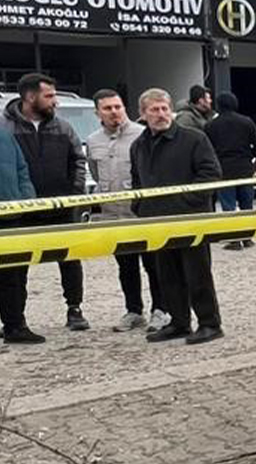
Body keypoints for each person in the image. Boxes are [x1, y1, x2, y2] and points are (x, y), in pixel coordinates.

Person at [130, 88, 225, 345]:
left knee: (198, 274)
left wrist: (186, 203)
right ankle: (179, 322)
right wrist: (140, 207)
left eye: (164, 108)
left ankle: (209, 323)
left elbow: (210, 174)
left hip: (191, 219)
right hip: (158, 223)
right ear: (142, 114)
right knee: (167, 275)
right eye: (154, 109)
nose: (161, 114)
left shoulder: (193, 138)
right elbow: (137, 180)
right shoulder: (139, 145)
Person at [0, 73, 90, 331]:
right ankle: (15, 318)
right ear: (30, 97)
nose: (55, 102)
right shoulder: (5, 128)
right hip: (19, 210)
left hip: (60, 207)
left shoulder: (62, 127)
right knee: (15, 267)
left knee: (70, 259)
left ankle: (75, 309)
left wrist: (73, 194)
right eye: (49, 96)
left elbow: (78, 161)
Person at [86, 89, 171, 332]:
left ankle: (161, 309)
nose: (114, 112)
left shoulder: (143, 135)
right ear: (98, 112)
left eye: (118, 107)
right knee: (126, 267)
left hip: (142, 214)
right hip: (114, 215)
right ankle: (134, 310)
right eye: (108, 108)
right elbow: (95, 172)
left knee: (154, 264)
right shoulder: (93, 141)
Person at [204, 92, 256, 250]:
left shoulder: (211, 125)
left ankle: (234, 239)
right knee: (247, 204)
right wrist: (249, 155)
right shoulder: (246, 122)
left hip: (223, 169)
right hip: (244, 168)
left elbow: (207, 150)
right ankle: (247, 237)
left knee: (228, 206)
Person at [0, 128, 42, 344]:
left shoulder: (5, 135)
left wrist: (26, 200)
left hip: (12, 215)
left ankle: (14, 324)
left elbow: (21, 169)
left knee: (15, 276)